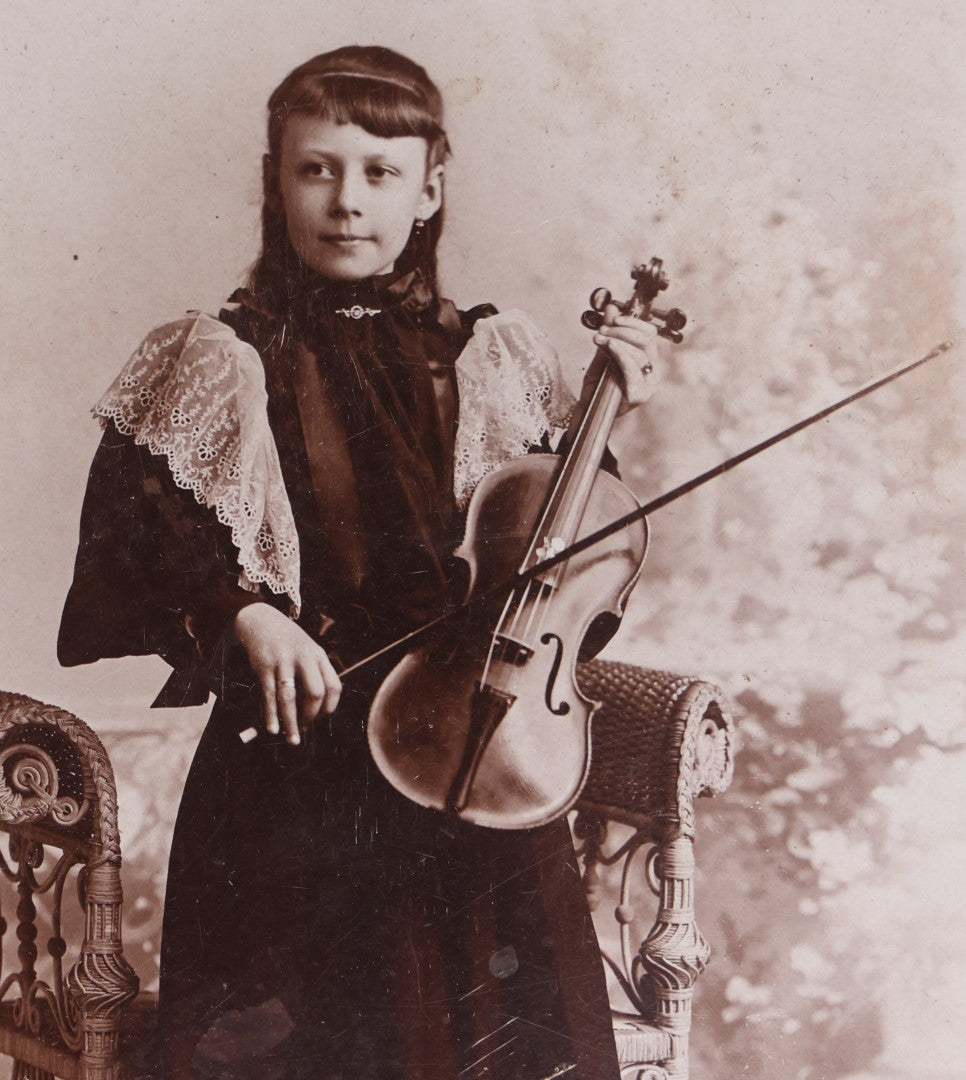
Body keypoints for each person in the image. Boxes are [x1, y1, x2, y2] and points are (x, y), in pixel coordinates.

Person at [59, 45, 662, 1080]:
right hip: (295, 776)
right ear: (276, 183)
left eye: (381, 172)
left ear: (429, 190)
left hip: (472, 753)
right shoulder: (219, 357)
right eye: (317, 169)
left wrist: (608, 422)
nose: (347, 200)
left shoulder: (494, 358)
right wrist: (243, 612)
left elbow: (560, 573)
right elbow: (135, 542)